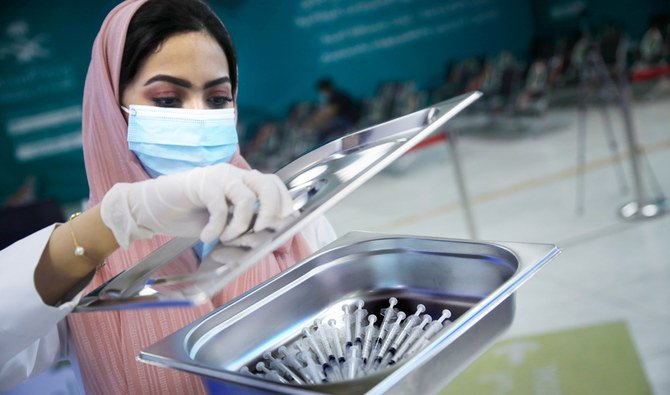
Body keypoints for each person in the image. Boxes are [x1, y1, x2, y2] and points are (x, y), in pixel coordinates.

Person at [0, 0, 336, 393]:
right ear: (113, 108)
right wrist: (113, 224)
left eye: (216, 99)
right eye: (167, 100)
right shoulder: (81, 268)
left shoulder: (286, 219)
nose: (197, 117)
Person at [303, 78, 360, 143]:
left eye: (322, 91)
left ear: (328, 88)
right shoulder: (331, 98)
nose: (322, 94)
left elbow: (329, 113)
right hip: (341, 120)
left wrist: (312, 123)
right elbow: (324, 112)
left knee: (322, 131)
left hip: (347, 121)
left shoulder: (338, 96)